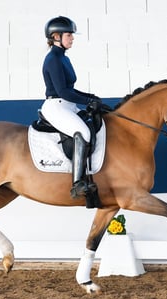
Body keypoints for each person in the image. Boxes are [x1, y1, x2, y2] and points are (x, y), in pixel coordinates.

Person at [41, 16, 102, 199]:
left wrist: (91, 97)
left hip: (67, 105)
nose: (72, 38)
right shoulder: (53, 59)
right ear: (56, 36)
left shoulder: (63, 58)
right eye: (69, 35)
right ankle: (77, 184)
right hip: (56, 106)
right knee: (83, 132)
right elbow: (62, 91)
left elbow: (70, 90)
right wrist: (87, 101)